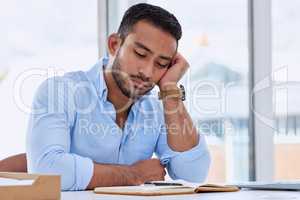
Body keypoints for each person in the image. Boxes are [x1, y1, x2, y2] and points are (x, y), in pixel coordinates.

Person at [0, 3, 210, 191]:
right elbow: (47, 169)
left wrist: (170, 91)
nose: (147, 71)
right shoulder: (60, 92)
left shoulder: (156, 109)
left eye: (161, 64)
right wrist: (133, 175)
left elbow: (192, 175)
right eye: (140, 54)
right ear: (114, 45)